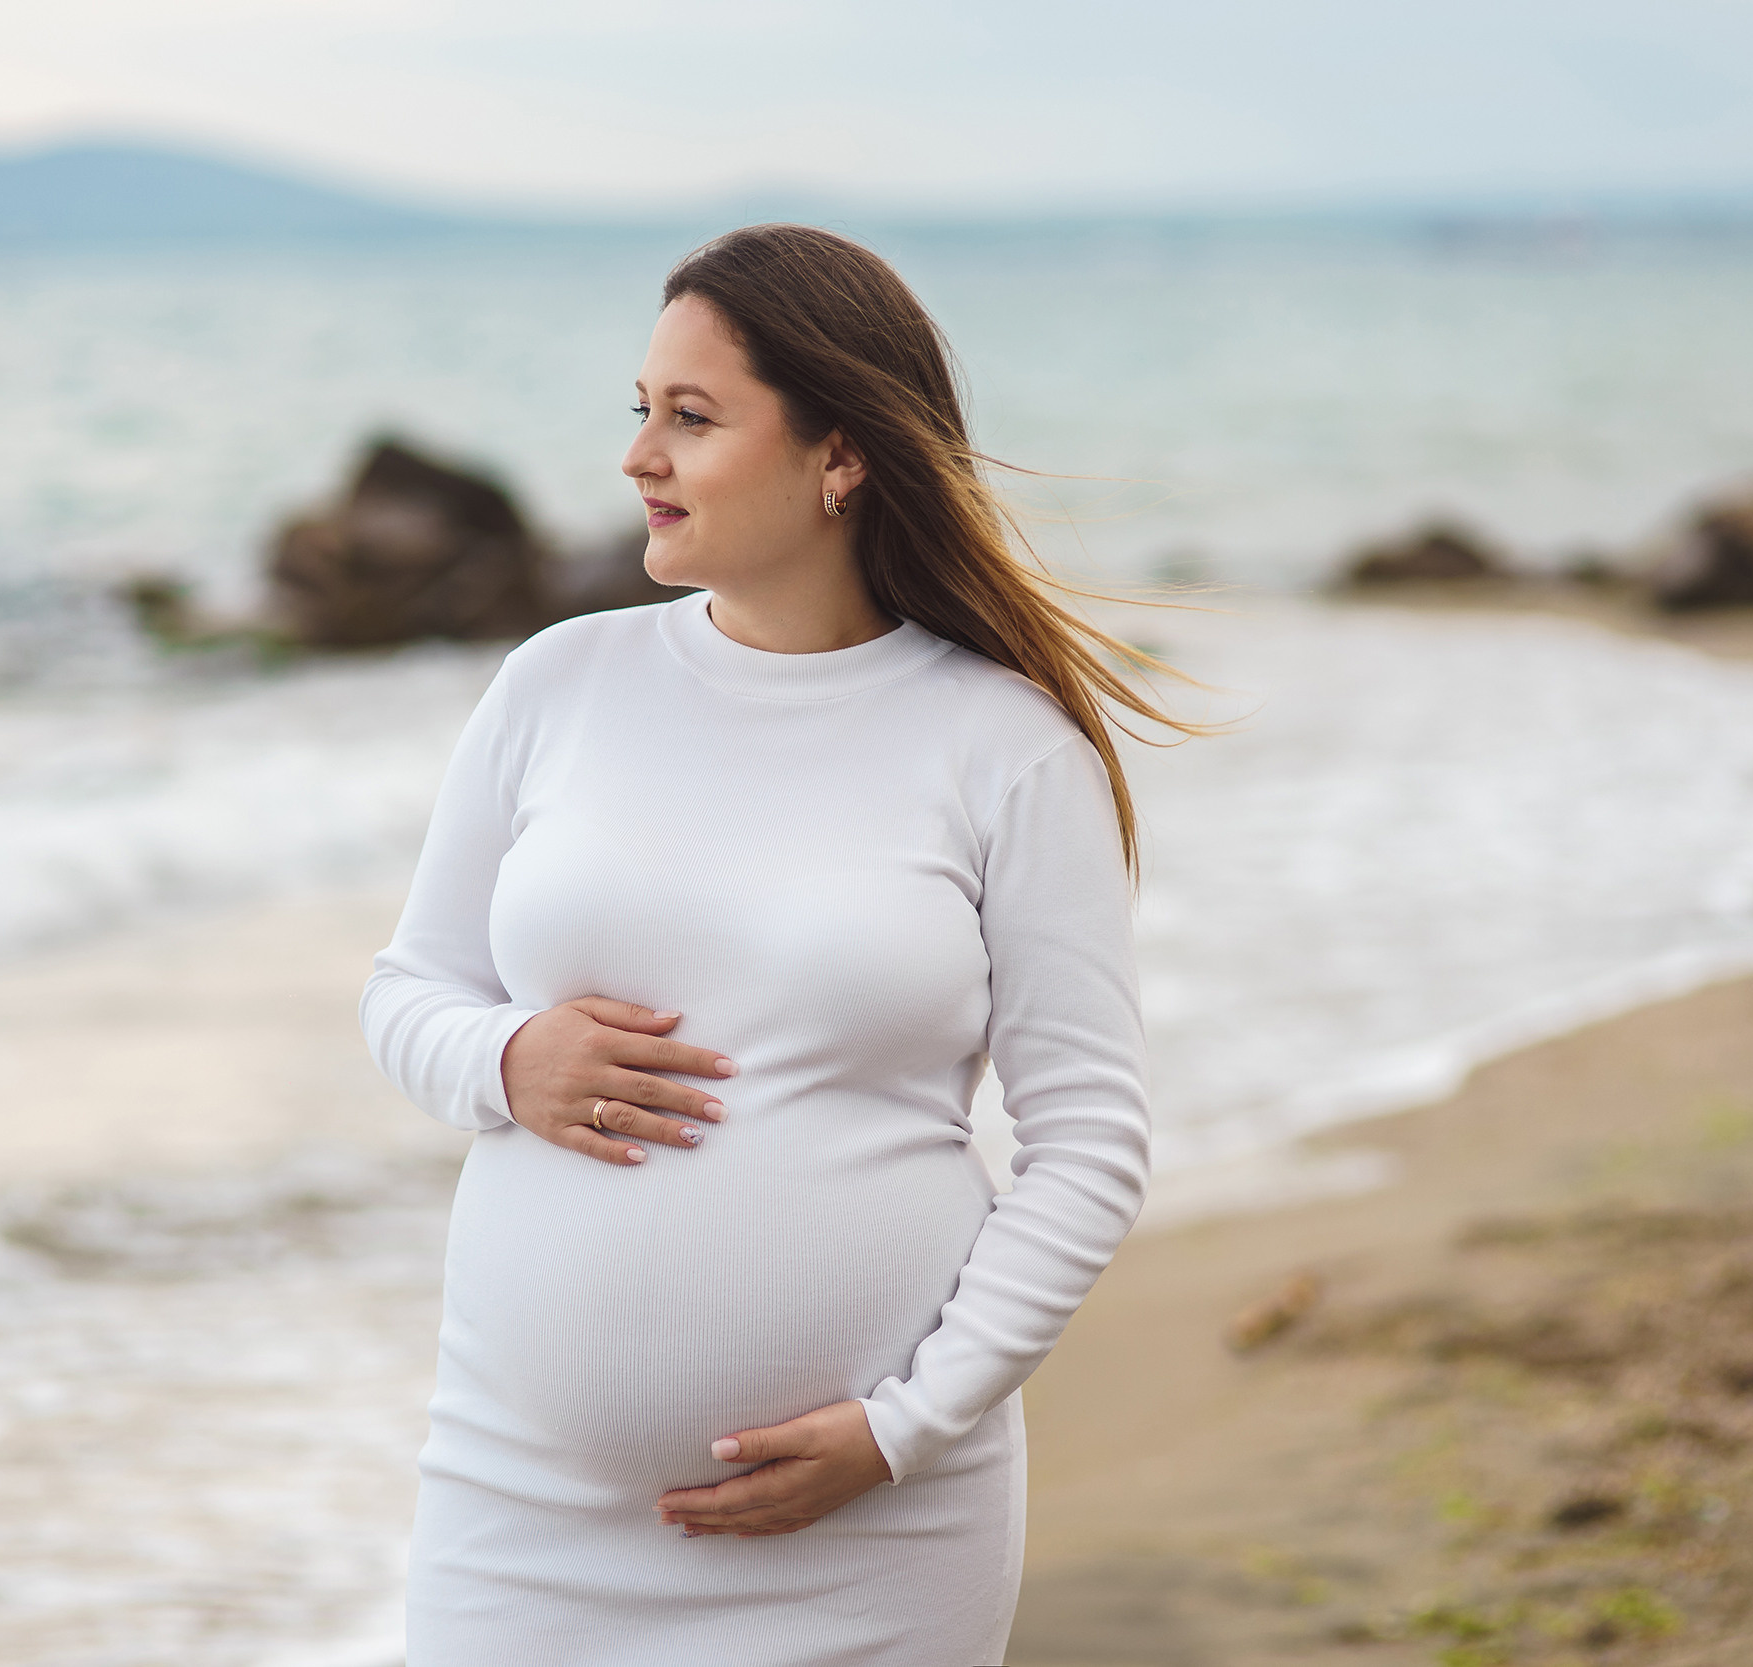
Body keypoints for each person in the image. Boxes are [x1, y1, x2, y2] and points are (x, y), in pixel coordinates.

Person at [360, 223, 1188, 1666]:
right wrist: (509, 1055)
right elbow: (408, 992)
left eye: (692, 418)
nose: (639, 457)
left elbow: (1090, 1144)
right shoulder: (560, 685)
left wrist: (903, 1432)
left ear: (842, 454)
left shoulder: (1003, 746)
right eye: (642, 412)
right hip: (518, 1518)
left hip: (871, 1545)